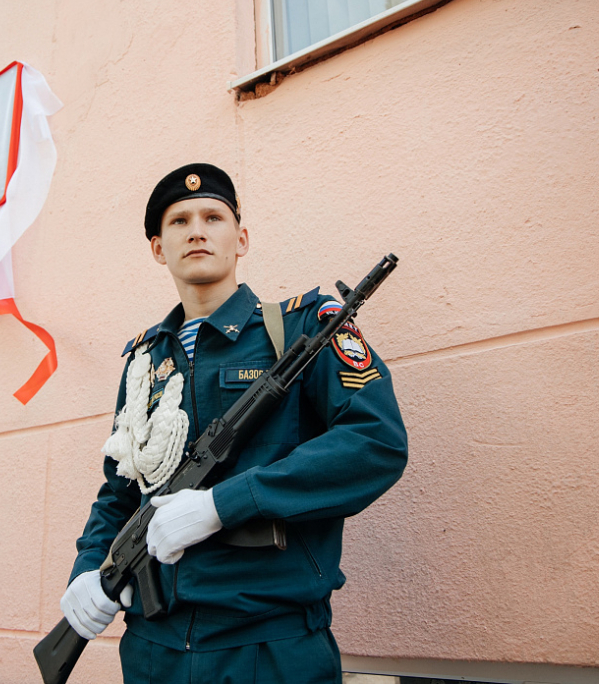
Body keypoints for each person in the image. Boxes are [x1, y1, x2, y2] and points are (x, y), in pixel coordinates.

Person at [60, 163, 409, 683]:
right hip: (154, 651)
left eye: (213, 217)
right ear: (159, 248)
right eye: (178, 221)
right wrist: (90, 568)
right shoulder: (144, 362)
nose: (197, 230)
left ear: (240, 238)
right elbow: (119, 489)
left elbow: (374, 442)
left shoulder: (301, 328)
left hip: (268, 648)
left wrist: (222, 505)